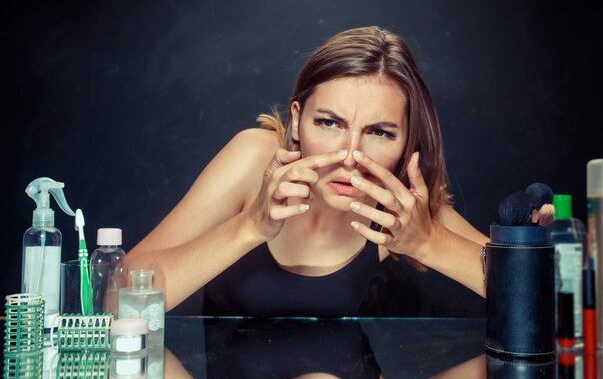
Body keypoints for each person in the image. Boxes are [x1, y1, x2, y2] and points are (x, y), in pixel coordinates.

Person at [127, 25, 489, 316]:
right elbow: (117, 296)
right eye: (330, 123)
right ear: (297, 120)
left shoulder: (400, 204)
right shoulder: (254, 155)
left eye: (379, 132)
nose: (349, 155)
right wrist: (250, 225)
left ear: (408, 141)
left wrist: (428, 242)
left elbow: (539, 296)